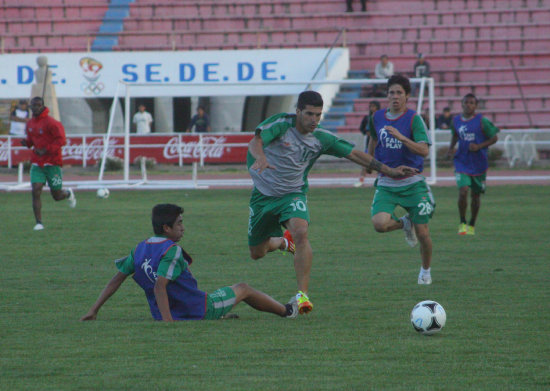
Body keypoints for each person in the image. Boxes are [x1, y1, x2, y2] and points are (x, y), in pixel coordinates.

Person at [247, 90, 419, 314]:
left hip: (292, 194)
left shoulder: (321, 139)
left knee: (301, 232)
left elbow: (354, 154)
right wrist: (261, 156)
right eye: (309, 114)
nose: (314, 120)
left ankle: (302, 296)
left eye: (318, 115)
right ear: (298, 111)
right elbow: (256, 141)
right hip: (262, 195)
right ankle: (281, 242)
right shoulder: (281, 124)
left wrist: (389, 171)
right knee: (257, 252)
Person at [81, 204, 299, 322]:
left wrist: (93, 309)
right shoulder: (172, 250)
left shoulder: (139, 248)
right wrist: (169, 323)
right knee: (243, 288)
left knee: (226, 294)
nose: (183, 228)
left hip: (164, 313)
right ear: (166, 228)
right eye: (179, 224)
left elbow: (115, 280)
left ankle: (220, 315)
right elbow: (160, 286)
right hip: (198, 309)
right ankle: (287, 311)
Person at [365, 75, 435, 285]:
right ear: (387, 95)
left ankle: (425, 271)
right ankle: (405, 222)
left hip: (412, 183)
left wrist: (402, 138)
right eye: (391, 92)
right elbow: (373, 139)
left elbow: (424, 150)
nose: (395, 97)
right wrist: (369, 162)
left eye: (399, 93)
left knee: (423, 232)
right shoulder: (377, 117)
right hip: (387, 181)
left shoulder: (413, 118)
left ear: (407, 96)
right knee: (379, 224)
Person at [446, 93, 499, 235]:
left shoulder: (482, 121)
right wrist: (451, 149)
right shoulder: (456, 120)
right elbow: (455, 135)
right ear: (461, 104)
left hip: (478, 164)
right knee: (463, 191)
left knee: (476, 196)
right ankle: (462, 222)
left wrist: (479, 146)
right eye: (466, 102)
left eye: (471, 103)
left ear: (475, 106)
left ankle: (472, 224)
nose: (468, 105)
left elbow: (494, 138)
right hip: (461, 161)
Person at [21, 97, 76, 231]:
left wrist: (46, 150)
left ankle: (68, 193)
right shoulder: (30, 124)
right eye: (33, 106)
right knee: (36, 189)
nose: (35, 108)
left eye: (38, 106)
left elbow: (61, 140)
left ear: (42, 106)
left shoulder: (52, 123)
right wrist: (27, 143)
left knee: (57, 195)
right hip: (37, 163)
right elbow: (31, 141)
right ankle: (39, 222)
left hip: (52, 163)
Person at [354, 100, 381, 187]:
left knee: (380, 163)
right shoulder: (367, 118)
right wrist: (366, 132)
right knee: (365, 163)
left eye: (373, 106)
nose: (372, 108)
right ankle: (361, 180)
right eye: (370, 106)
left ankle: (380, 179)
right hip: (369, 144)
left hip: (379, 144)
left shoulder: (381, 117)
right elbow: (362, 128)